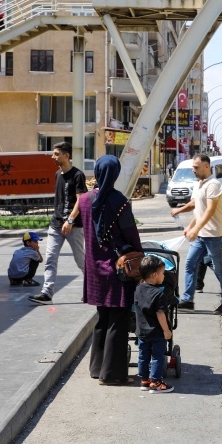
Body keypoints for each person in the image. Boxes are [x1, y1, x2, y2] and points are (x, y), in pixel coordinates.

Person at [79, 155, 142, 385]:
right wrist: (140, 256)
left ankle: (97, 368)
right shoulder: (120, 202)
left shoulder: (85, 200)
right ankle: (112, 374)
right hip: (117, 270)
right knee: (119, 319)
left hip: (94, 269)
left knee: (102, 318)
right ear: (115, 175)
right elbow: (132, 236)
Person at [29, 142, 88, 305]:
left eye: (56, 154)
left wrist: (70, 220)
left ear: (66, 155)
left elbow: (81, 201)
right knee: (50, 259)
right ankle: (47, 292)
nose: (52, 157)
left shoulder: (78, 175)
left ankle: (91, 289)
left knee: (80, 260)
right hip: (55, 225)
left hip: (74, 226)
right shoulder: (57, 174)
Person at [177, 154, 222, 315]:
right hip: (202, 236)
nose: (193, 170)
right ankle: (188, 300)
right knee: (190, 264)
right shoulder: (199, 185)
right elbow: (199, 210)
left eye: (196, 167)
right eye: (193, 167)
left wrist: (196, 229)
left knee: (220, 268)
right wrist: (190, 227)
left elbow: (210, 210)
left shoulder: (214, 185)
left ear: (206, 167)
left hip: (216, 236)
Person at [170, 198, 222, 293]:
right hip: (207, 232)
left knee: (207, 259)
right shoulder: (213, 188)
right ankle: (198, 284)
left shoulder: (206, 188)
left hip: (207, 233)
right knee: (201, 258)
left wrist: (178, 210)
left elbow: (193, 204)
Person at [135, 255, 174, 394]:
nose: (164, 276)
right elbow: (160, 314)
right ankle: (156, 383)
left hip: (141, 332)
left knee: (143, 356)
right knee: (157, 356)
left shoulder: (138, 289)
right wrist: (166, 331)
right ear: (154, 275)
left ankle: (144, 381)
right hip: (157, 333)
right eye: (163, 273)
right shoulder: (159, 294)